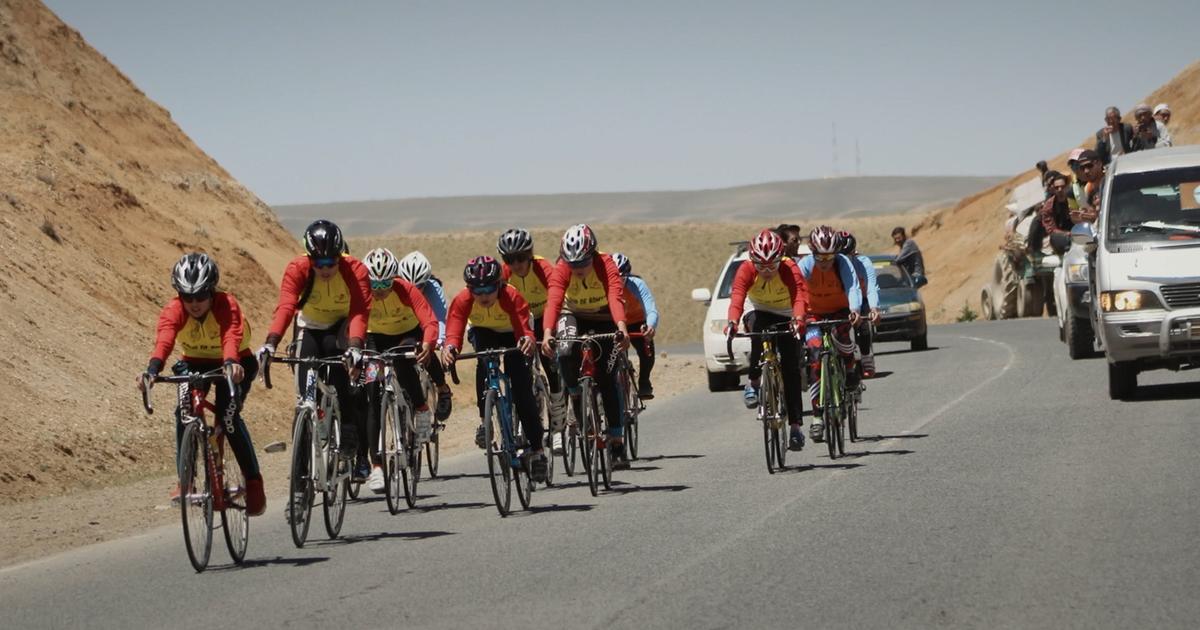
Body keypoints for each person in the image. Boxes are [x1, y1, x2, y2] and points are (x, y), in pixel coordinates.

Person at [139, 253, 266, 515]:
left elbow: (231, 335)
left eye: (200, 297)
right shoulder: (173, 310)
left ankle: (253, 482)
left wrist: (231, 362)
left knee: (228, 418)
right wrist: (152, 371)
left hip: (234, 362)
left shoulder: (226, 304)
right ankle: (186, 480)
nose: (194, 304)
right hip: (194, 363)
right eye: (187, 297)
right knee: (184, 413)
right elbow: (164, 340)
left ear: (212, 292)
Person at [258, 219, 372, 477]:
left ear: (340, 256)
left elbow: (359, 311)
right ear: (309, 258)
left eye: (331, 262)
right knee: (303, 402)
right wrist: (270, 343)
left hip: (341, 328)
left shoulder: (355, 270)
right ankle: (299, 482)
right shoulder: (297, 268)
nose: (325, 268)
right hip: (309, 328)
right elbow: (286, 306)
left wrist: (355, 346)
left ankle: (349, 427)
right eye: (318, 263)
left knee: (343, 375)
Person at [441, 256, 547, 481]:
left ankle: (537, 451)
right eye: (477, 291)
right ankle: (485, 418)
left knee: (521, 389)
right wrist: (450, 348)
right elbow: (454, 328)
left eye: (489, 289)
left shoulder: (511, 296)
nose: (483, 296)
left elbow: (523, 329)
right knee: (484, 362)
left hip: (513, 332)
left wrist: (527, 340)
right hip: (484, 330)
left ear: (498, 284)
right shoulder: (463, 299)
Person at [540, 224, 632, 468]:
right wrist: (548, 332)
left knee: (606, 376)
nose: (578, 269)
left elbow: (615, 295)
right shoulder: (562, 268)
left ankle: (616, 439)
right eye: (573, 264)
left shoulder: (605, 264)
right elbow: (555, 300)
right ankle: (575, 396)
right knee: (565, 351)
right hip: (573, 314)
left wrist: (621, 327)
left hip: (603, 316)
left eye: (582, 263)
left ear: (593, 254)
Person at [360, 247, 438, 493]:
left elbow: (429, 320)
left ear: (395, 278)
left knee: (404, 363)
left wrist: (428, 343)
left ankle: (421, 407)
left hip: (406, 334)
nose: (380, 290)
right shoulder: (362, 293)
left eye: (386, 284)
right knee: (372, 393)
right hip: (375, 338)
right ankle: (377, 467)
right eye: (375, 284)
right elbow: (352, 322)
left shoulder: (407, 290)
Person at [725, 229, 810, 450]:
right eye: (761, 267)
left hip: (786, 312)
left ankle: (795, 428)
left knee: (791, 368)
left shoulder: (789, 267)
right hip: (758, 309)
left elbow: (800, 295)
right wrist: (733, 322)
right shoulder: (746, 268)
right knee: (757, 333)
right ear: (753, 261)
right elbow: (737, 296)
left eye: (772, 266)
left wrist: (799, 318)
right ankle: (753, 382)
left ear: (780, 258)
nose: (767, 271)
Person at [497, 228, 567, 454]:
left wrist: (547, 333)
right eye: (509, 259)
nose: (515, 264)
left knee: (549, 360)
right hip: (520, 320)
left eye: (520, 258)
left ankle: (557, 421)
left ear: (530, 254)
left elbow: (556, 297)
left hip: (544, 316)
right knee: (519, 371)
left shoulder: (543, 267)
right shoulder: (504, 273)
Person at [797, 226, 862, 443]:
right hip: (813, 314)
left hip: (840, 310)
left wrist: (854, 310)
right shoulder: (805, 265)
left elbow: (853, 287)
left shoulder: (842, 263)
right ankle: (817, 418)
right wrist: (797, 316)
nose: (825, 262)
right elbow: (796, 292)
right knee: (815, 360)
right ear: (812, 252)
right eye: (820, 257)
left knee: (842, 336)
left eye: (829, 257)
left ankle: (850, 367)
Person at [397, 251, 454, 424]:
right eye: (409, 284)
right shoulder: (395, 287)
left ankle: (442, 388)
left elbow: (440, 318)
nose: (414, 290)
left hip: (425, 326)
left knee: (426, 348)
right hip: (403, 326)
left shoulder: (433, 288)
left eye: (419, 286)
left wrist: (440, 342)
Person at [610, 252, 658, 400]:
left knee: (646, 350)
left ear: (628, 275)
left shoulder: (637, 284)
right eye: (614, 279)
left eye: (622, 279)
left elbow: (651, 309)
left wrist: (650, 326)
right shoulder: (603, 287)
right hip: (615, 323)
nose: (618, 283)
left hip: (637, 322)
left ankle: (644, 381)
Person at [838, 231, 881, 377]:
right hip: (840, 301)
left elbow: (871, 289)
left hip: (861, 299)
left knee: (863, 325)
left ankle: (866, 356)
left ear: (854, 253)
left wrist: (874, 308)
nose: (845, 261)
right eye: (840, 257)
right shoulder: (832, 265)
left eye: (848, 256)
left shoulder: (864, 262)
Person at [1040, 174, 1075, 254]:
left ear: (1067, 187)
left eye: (1062, 187)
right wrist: (1067, 234)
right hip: (1062, 237)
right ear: (1053, 189)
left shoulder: (1075, 199)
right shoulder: (1049, 206)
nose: (1060, 190)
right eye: (1057, 188)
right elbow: (1051, 228)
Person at [1074, 149, 1105, 224]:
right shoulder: (1088, 188)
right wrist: (1088, 216)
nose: (1086, 171)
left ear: (1099, 163)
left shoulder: (1112, 181)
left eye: (1089, 166)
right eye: (1082, 168)